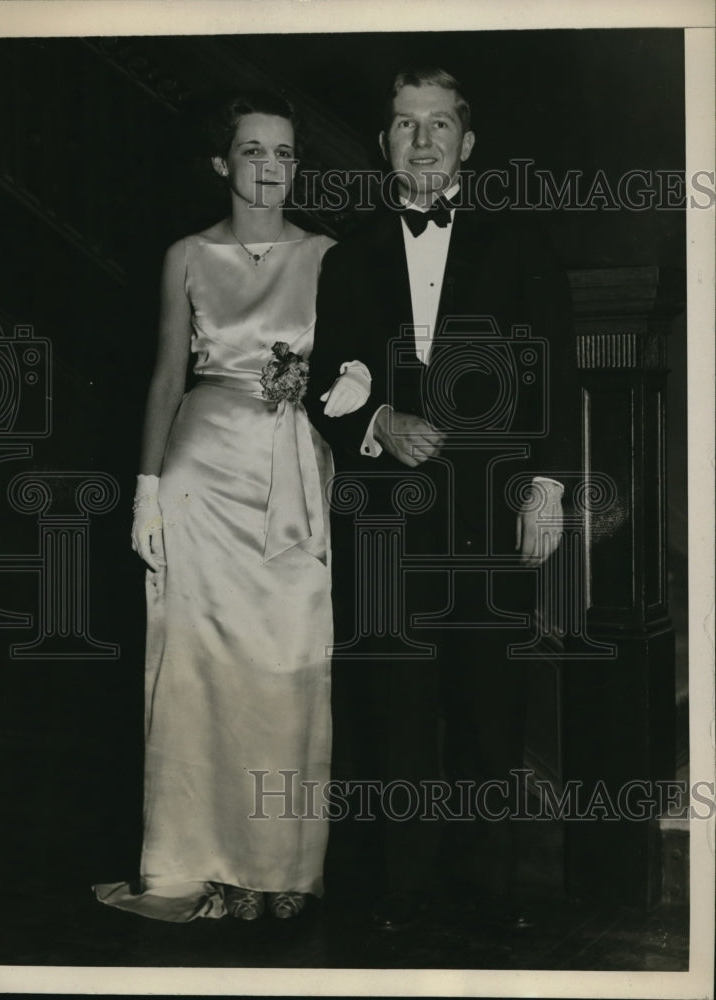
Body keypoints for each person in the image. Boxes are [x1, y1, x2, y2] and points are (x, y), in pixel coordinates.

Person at [307, 68, 580, 930]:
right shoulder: (349, 252)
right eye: (402, 126)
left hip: (490, 508)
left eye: (438, 125)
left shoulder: (521, 244)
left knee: (488, 702)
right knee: (390, 699)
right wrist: (381, 417)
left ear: (467, 142)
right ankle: (398, 892)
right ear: (384, 142)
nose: (421, 141)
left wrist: (548, 486)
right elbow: (322, 374)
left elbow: (555, 367)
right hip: (386, 512)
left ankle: (488, 892)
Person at [94, 92, 369, 923]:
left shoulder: (329, 254)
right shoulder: (185, 255)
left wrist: (352, 381)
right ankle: (198, 863)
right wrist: (146, 488)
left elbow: (356, 358)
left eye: (284, 154)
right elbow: (166, 378)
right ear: (223, 164)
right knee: (199, 670)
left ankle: (279, 868)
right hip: (200, 473)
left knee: (289, 664)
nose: (269, 168)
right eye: (253, 152)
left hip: (288, 473)